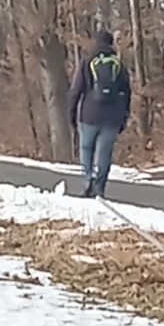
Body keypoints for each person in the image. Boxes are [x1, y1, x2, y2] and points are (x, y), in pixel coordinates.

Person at [67, 30, 131, 199]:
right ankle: (99, 188)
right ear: (111, 43)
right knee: (104, 153)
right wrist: (124, 116)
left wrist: (72, 113)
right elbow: (126, 92)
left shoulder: (87, 61)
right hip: (112, 117)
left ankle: (87, 180)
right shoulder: (118, 64)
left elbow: (76, 90)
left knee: (86, 148)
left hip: (89, 114)